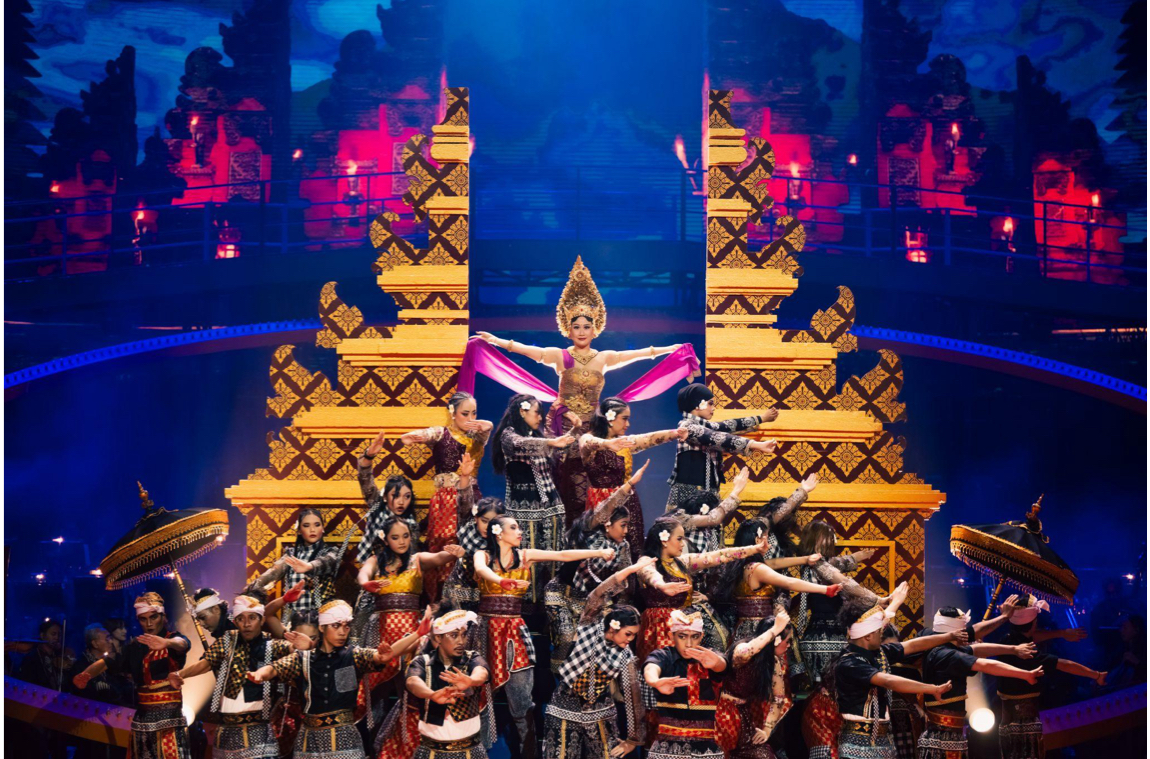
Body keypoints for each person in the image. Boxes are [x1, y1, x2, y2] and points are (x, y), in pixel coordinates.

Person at [477, 256, 682, 524]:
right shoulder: (560, 356)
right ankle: (558, 529)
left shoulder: (604, 358)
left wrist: (669, 350)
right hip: (562, 426)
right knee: (559, 477)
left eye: (586, 326)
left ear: (595, 329)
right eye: (576, 327)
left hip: (592, 429)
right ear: (568, 329)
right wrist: (498, 341)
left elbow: (639, 354)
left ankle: (588, 528)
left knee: (590, 480)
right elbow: (528, 350)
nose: (582, 331)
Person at [472, 514, 616, 759]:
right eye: (514, 527)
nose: (520, 532)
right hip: (486, 631)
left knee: (522, 700)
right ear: (499, 533)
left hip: (513, 631)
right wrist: (501, 581)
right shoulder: (483, 556)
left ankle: (528, 753)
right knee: (478, 693)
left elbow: (561, 555)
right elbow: (480, 569)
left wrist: (598, 553)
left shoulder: (524, 556)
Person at [247, 600, 408, 759]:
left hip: (344, 738)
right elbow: (275, 668)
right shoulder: (303, 659)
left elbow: (381, 656)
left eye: (346, 626)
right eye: (336, 626)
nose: (342, 632)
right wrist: (260, 674)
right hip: (310, 740)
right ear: (322, 627)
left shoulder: (354, 656)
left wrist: (417, 634)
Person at [353, 515, 463, 722]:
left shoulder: (417, 559)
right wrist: (366, 583)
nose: (402, 541)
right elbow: (363, 574)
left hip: (412, 632)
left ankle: (411, 731)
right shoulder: (376, 561)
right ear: (385, 540)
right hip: (382, 630)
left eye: (405, 536)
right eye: (395, 537)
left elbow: (439, 557)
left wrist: (453, 553)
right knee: (374, 688)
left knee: (411, 685)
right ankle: (373, 734)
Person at [168, 595, 303, 759]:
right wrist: (179, 674)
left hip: (257, 732)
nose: (246, 624)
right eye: (241, 619)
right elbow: (206, 663)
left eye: (252, 618)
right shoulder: (227, 641)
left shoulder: (272, 645)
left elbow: (294, 649)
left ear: (261, 620)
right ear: (236, 622)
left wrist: (304, 645)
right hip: (226, 730)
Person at [831, 597, 968, 759]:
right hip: (856, 743)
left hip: (883, 741)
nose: (881, 633)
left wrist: (949, 636)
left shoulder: (879, 652)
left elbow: (913, 645)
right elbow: (888, 681)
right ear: (867, 636)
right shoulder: (849, 662)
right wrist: (932, 689)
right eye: (878, 631)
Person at [543, 560, 650, 759]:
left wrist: (633, 740)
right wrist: (629, 570)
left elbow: (633, 696)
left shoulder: (625, 655)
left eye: (634, 635)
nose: (630, 640)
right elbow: (598, 594)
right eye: (628, 634)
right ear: (614, 627)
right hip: (563, 708)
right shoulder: (590, 626)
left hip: (601, 714)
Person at [544, 462, 644, 672]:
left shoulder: (623, 547)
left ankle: (591, 683)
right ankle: (561, 683)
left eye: (628, 525)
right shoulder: (589, 531)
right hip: (562, 594)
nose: (626, 530)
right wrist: (629, 485)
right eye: (623, 525)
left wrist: (620, 610)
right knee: (567, 639)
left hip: (592, 600)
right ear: (607, 523)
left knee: (602, 639)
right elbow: (607, 506)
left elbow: (623, 581)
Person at [635, 515, 772, 662]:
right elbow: (648, 572)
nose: (683, 543)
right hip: (660, 626)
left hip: (685, 625)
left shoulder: (682, 562)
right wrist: (661, 585)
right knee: (662, 665)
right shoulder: (647, 560)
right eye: (679, 539)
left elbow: (719, 556)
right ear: (664, 540)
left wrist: (754, 549)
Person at [916, 607, 1045, 759]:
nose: (968, 634)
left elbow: (977, 648)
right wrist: (1025, 674)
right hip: (943, 738)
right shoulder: (947, 655)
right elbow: (986, 665)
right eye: (964, 630)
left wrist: (1013, 649)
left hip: (946, 734)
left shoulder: (932, 639)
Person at [491, 393, 577, 604]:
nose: (540, 417)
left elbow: (556, 446)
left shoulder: (538, 436)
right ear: (522, 411)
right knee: (528, 558)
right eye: (536, 413)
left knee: (554, 556)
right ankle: (528, 608)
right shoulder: (509, 436)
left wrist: (571, 429)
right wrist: (551, 442)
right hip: (524, 509)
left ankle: (553, 605)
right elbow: (521, 444)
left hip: (552, 505)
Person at [996, 595, 1106, 759]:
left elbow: (1031, 635)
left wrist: (1061, 633)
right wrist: (1095, 675)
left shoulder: (1006, 640)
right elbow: (1064, 664)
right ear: (1034, 623)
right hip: (1025, 726)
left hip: (1006, 723)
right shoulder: (1028, 654)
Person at [579, 396, 686, 559]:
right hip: (601, 503)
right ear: (610, 418)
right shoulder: (589, 439)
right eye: (624, 418)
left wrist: (675, 433)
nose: (628, 424)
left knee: (632, 547)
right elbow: (587, 442)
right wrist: (607, 444)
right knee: (600, 551)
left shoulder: (624, 442)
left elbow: (649, 438)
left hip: (628, 503)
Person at [382, 604, 491, 759]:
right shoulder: (422, 661)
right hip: (431, 752)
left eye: (464, 635)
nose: (461, 641)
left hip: (471, 752)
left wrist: (471, 681)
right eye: (454, 635)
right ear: (438, 637)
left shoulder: (472, 658)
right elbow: (412, 681)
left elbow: (482, 672)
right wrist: (431, 694)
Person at [790, 520, 877, 693]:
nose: (833, 541)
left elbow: (837, 563)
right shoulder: (816, 563)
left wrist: (859, 556)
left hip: (822, 633)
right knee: (829, 689)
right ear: (817, 538)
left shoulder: (819, 562)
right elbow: (843, 579)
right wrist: (876, 599)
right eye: (829, 537)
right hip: (825, 635)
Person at [719, 518, 840, 642]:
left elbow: (775, 563)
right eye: (767, 538)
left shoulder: (741, 565)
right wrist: (825, 589)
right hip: (759, 631)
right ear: (757, 540)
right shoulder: (757, 568)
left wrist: (805, 559)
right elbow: (789, 582)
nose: (769, 545)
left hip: (742, 630)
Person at [666, 383, 777, 508]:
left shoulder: (707, 426)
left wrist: (761, 418)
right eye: (710, 403)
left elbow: (729, 425)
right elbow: (714, 437)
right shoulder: (686, 426)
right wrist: (755, 444)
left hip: (706, 494)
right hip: (687, 495)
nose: (713, 408)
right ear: (697, 405)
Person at [642, 609, 729, 759]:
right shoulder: (664, 656)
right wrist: (655, 681)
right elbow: (651, 667)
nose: (689, 644)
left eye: (694, 637)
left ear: (701, 636)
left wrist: (717, 663)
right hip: (667, 747)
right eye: (682, 636)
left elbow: (722, 666)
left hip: (706, 748)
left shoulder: (708, 656)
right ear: (671, 636)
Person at [122, 592, 192, 759]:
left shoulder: (173, 639)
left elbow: (183, 644)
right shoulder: (135, 646)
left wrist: (166, 643)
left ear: (163, 617)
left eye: (153, 617)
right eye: (143, 619)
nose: (149, 623)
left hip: (170, 720)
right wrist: (88, 673)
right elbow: (113, 662)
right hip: (143, 719)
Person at [246, 507, 343, 623]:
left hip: (321, 619)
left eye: (317, 525)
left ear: (322, 529)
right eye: (306, 525)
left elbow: (327, 561)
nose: (312, 529)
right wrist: (249, 590)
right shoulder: (291, 555)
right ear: (299, 530)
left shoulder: (331, 552)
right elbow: (272, 574)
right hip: (293, 618)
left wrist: (309, 566)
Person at [718, 611, 794, 759]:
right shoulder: (743, 647)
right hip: (722, 714)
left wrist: (767, 729)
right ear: (776, 640)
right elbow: (743, 654)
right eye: (788, 641)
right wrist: (775, 629)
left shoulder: (773, 662)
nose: (789, 645)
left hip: (745, 717)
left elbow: (778, 698)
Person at [69, 624, 129, 759]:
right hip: (90, 724)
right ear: (95, 643)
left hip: (113, 721)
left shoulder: (110, 664)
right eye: (107, 638)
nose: (110, 641)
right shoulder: (81, 666)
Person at [441, 492, 504, 611]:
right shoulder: (468, 529)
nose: (487, 527)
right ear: (476, 518)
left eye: (493, 523)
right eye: (484, 521)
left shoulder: (500, 542)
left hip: (484, 591)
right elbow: (464, 498)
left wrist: (465, 555)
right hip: (458, 585)